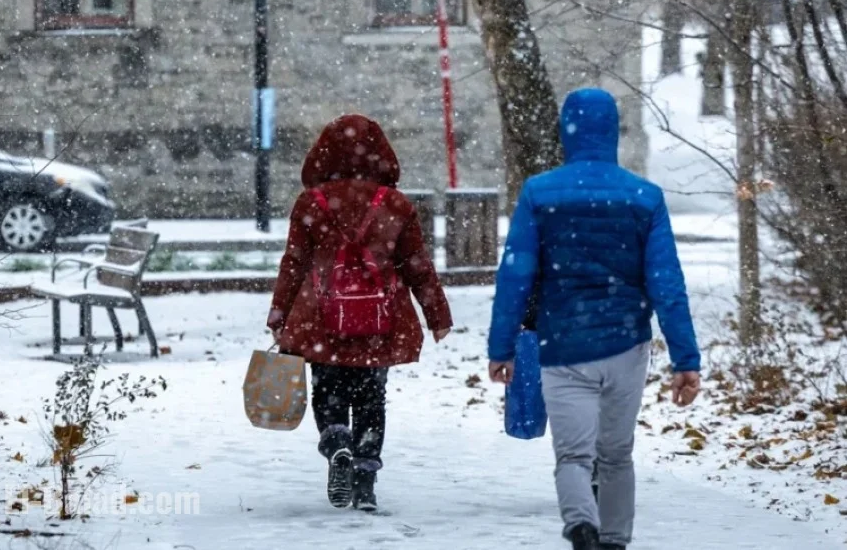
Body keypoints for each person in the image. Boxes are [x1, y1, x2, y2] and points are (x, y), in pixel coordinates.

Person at [487, 88, 701, 550]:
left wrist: (501, 347)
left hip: (563, 344)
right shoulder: (644, 197)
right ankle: (615, 540)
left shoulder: (539, 193)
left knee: (572, 457)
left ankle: (581, 525)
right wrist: (685, 359)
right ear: (613, 133)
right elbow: (667, 284)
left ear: (566, 132)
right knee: (617, 456)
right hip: (626, 345)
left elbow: (515, 276)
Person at [268, 114, 453, 512]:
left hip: (321, 315)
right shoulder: (395, 205)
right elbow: (417, 264)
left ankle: (337, 444)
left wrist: (280, 311)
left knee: (328, 389)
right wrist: (437, 315)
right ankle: (365, 481)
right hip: (379, 319)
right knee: (371, 397)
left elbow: (294, 262)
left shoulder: (310, 203)